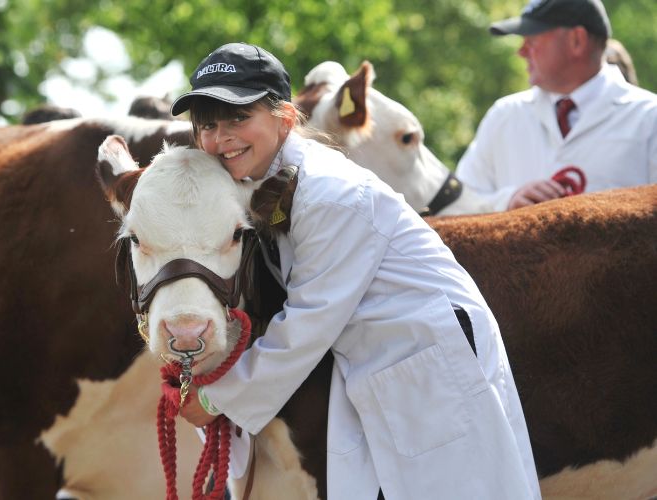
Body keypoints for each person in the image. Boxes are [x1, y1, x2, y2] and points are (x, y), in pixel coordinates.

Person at [171, 42, 541, 499]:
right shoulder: (262, 182)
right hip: (381, 361)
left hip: (425, 355)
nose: (221, 137)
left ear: (285, 117)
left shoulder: (331, 193)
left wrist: (219, 397)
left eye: (237, 118)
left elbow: (309, 321)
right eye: (207, 125)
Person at [456, 0, 657, 211]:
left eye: (532, 40)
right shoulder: (504, 115)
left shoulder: (650, 118)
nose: (521, 52)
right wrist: (507, 202)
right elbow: (457, 205)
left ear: (577, 40)